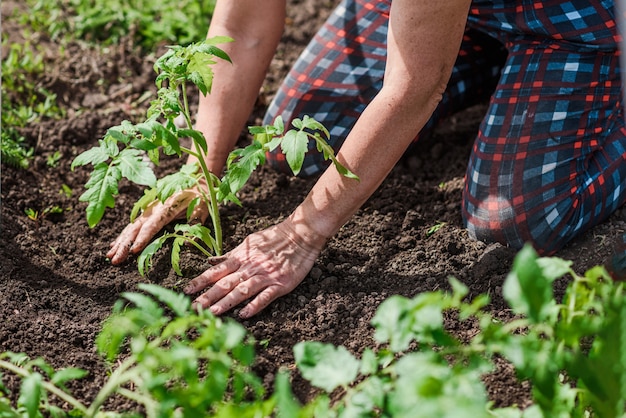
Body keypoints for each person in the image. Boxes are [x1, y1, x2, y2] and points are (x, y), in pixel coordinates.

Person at [107, 0, 626, 318]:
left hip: (564, 20)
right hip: (437, 11)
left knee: (520, 215)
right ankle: (498, 66)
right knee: (302, 141)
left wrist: (302, 233)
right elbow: (243, 24)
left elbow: (414, 86)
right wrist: (203, 167)